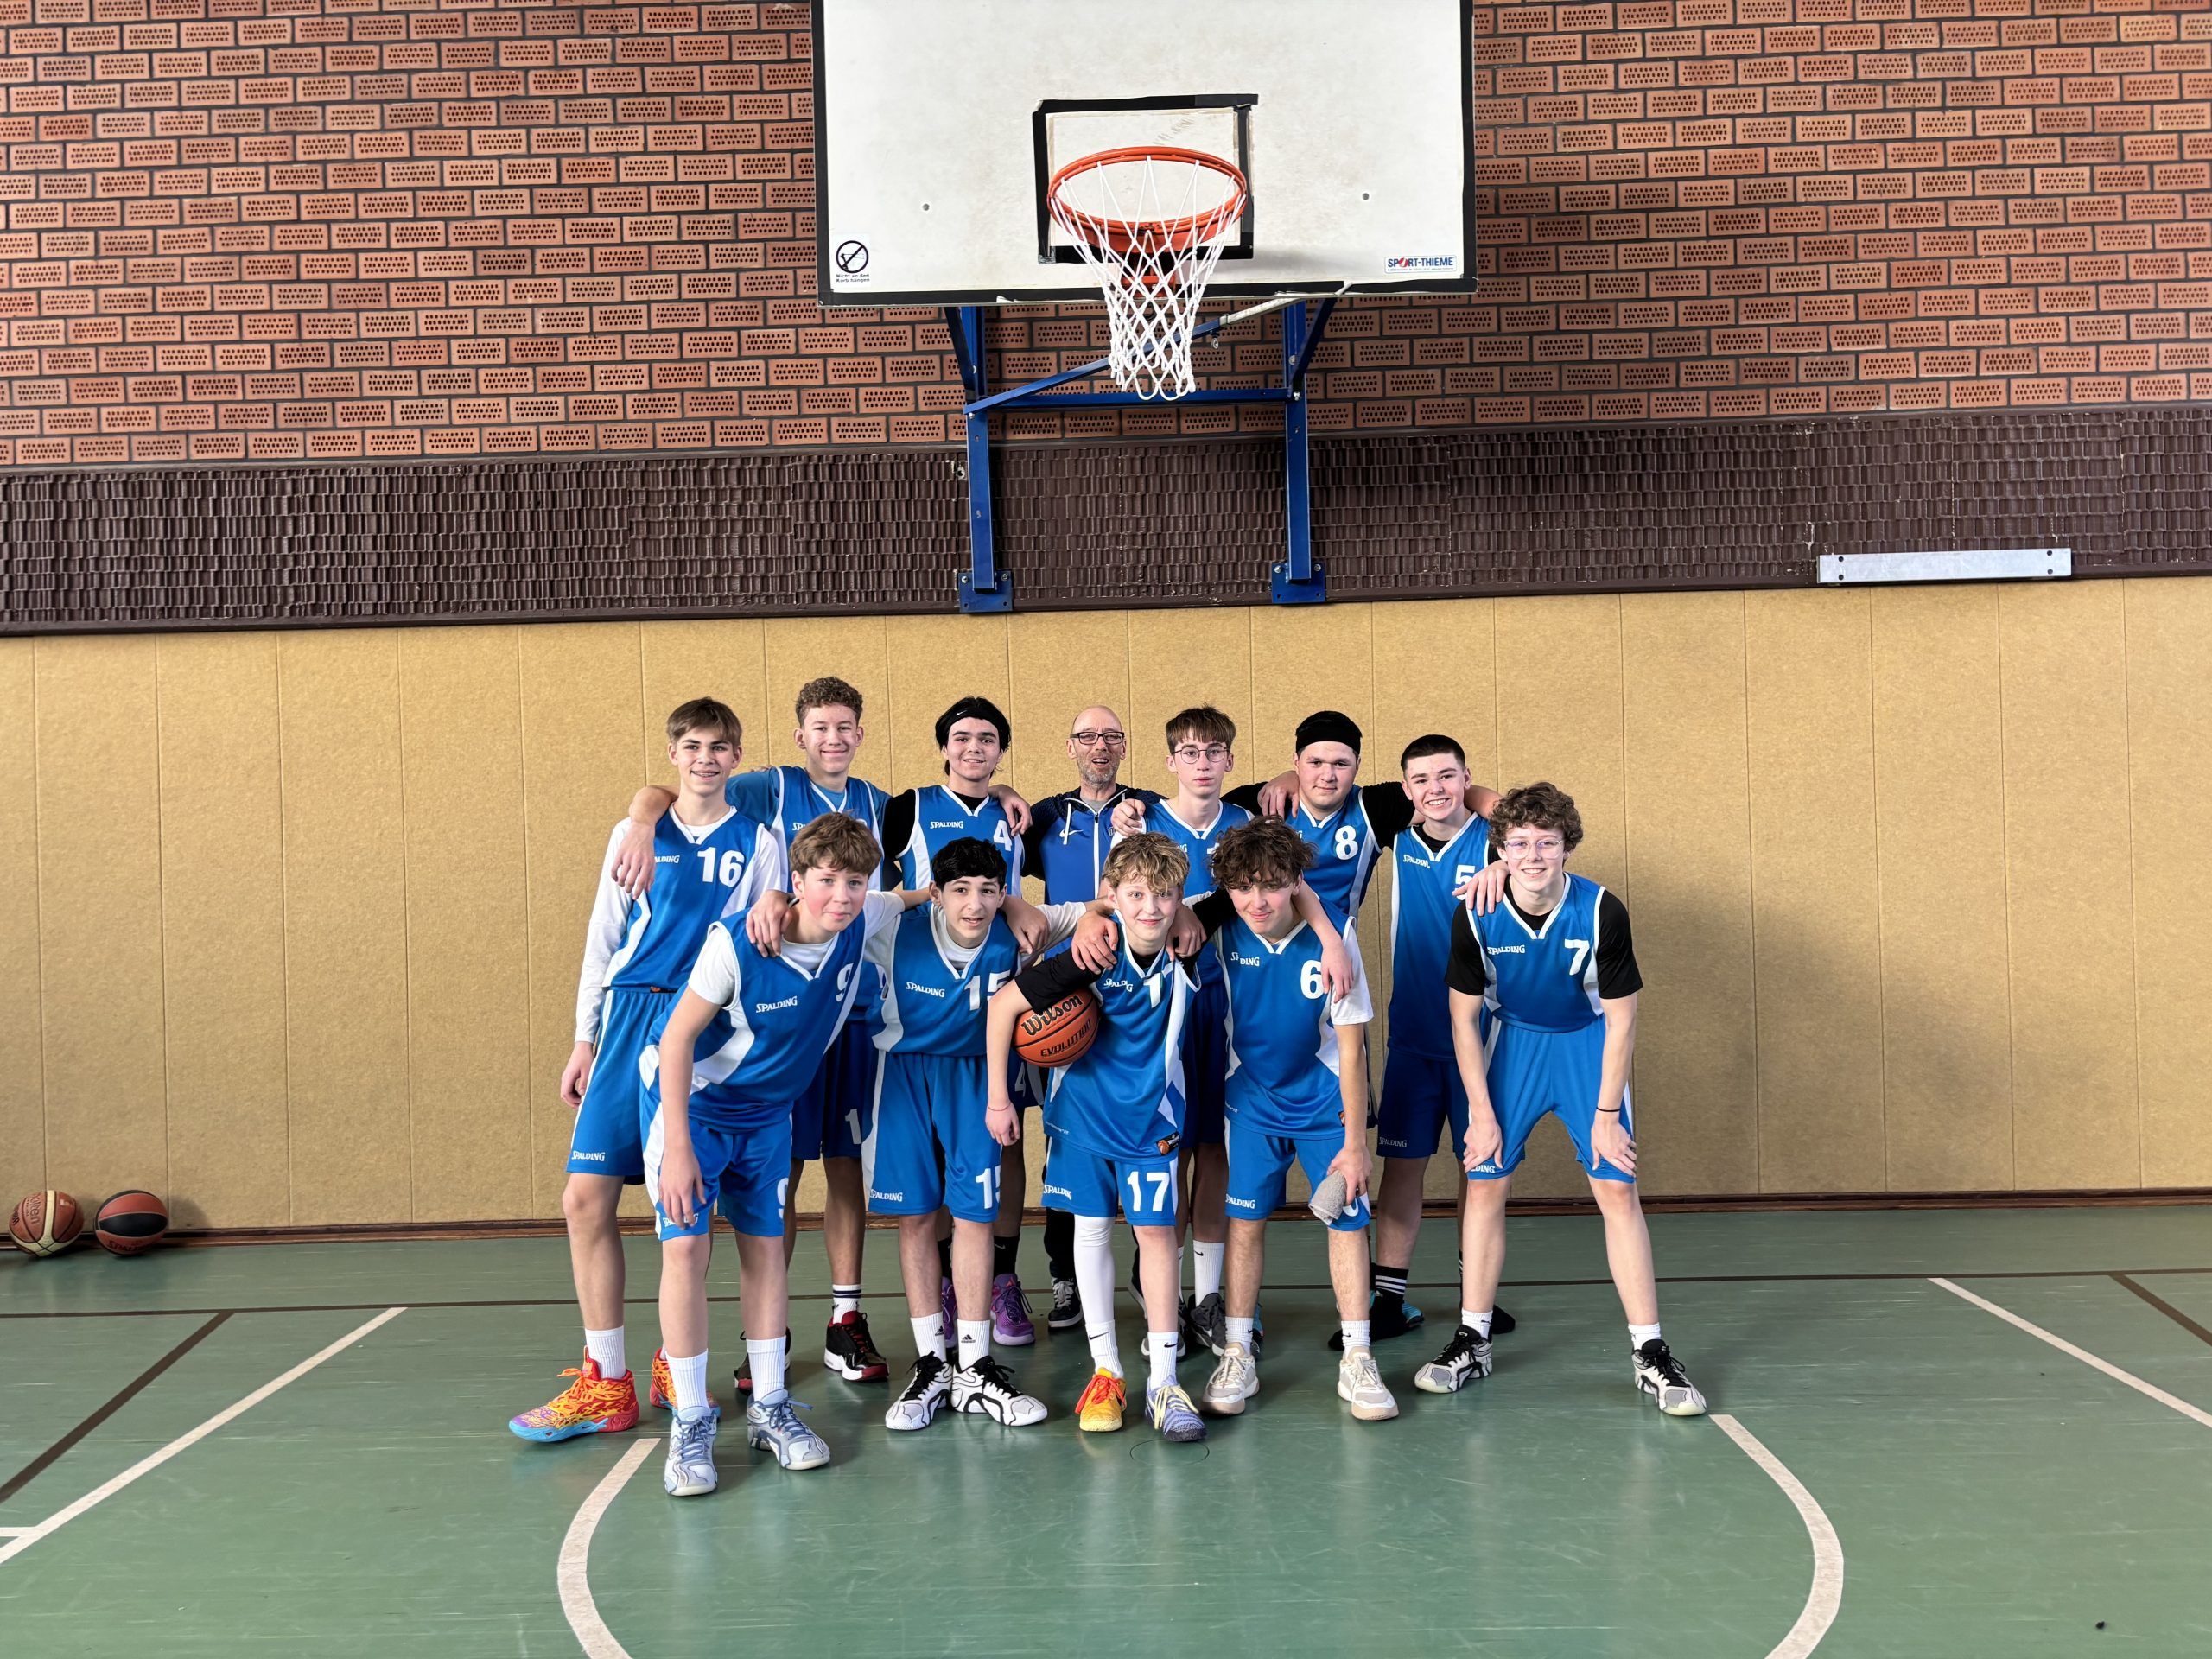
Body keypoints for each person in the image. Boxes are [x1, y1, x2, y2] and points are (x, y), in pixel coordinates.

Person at [985, 834, 1351, 1444]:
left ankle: (1163, 1380)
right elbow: (1003, 1007)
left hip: (1152, 1122)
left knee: (1157, 1236)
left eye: (1164, 895)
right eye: (1135, 896)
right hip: (1082, 1121)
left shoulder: (1190, 940)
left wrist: (1332, 939)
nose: (1150, 908)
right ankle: (1106, 1373)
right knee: (1091, 1232)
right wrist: (1000, 1099)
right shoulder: (1088, 953)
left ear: (1183, 896)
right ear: (1113, 895)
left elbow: (1288, 880)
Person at [616, 676, 912, 1392]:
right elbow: (679, 792)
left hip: (840, 1010)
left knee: (844, 1162)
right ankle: (763, 1341)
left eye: (844, 726)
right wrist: (640, 820)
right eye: (820, 727)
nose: (833, 738)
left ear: (861, 734)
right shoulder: (767, 787)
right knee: (776, 1180)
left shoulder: (883, 805)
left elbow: (908, 890)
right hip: (764, 1003)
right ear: (799, 734)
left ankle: (844, 1317)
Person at [510, 697, 781, 1445]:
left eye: (719, 747)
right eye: (692, 746)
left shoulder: (760, 840)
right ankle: (605, 1382)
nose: (706, 759)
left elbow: (761, 941)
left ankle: (673, 1360)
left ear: (737, 757)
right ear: (672, 754)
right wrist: (584, 1039)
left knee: (685, 1210)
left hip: (697, 1022)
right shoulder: (634, 834)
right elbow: (602, 939)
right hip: (626, 1014)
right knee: (584, 1199)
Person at [645, 814, 925, 1497]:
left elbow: (915, 897)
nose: (841, 896)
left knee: (766, 1252)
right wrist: (677, 1146)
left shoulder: (861, 917)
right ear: (796, 881)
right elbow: (677, 1040)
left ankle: (770, 1407)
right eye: (825, 881)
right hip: (695, 1110)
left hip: (767, 1117)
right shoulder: (738, 944)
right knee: (687, 1250)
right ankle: (690, 1419)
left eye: (854, 882)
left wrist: (1010, 903)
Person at [1413, 783, 1707, 1420]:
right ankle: (1473, 1338)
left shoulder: (1602, 910)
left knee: (1617, 1189)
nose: (1533, 856)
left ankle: (1650, 1350)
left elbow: (1623, 1020)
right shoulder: (1476, 913)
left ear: (1567, 846)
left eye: (1546, 843)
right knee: (1484, 1183)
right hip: (1513, 1046)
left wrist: (1607, 1115)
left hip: (1586, 1046)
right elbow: (1462, 1019)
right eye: (1519, 844)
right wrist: (1480, 1113)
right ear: (1501, 850)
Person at [821, 836, 1101, 1431]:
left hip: (978, 1078)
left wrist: (1045, 909)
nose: (974, 904)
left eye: (988, 891)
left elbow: (1104, 906)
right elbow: (822, 909)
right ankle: (931, 1363)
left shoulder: (1022, 928)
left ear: (1003, 893)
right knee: (917, 1217)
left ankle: (974, 1364)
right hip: (902, 1076)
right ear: (937, 894)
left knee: (974, 1216)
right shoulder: (891, 927)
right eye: (960, 891)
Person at [1184, 819, 1393, 1422]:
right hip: (1251, 1100)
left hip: (1324, 1101)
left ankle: (1358, 1356)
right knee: (1245, 1223)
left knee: (1347, 1223)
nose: (1258, 901)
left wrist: (1355, 1142)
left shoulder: (1337, 937)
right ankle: (1237, 1350)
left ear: (1295, 883)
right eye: (1243, 888)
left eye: (1272, 886)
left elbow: (1352, 1049)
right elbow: (1146, 912)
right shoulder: (1219, 929)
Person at [877, 695, 1044, 1350]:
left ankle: (1000, 1277)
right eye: (963, 738)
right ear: (943, 746)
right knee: (934, 1160)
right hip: (922, 987)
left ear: (1002, 750)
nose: (975, 748)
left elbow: (1021, 890)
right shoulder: (906, 808)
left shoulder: (1018, 816)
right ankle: (948, 1283)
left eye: (988, 739)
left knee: (1005, 1144)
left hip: (992, 992)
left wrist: (1020, 903)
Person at [1020, 705, 1159, 1333]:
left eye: (1111, 736)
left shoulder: (1151, 808)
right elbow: (992, 865)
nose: (1099, 746)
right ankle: (1065, 1277)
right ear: (1069, 746)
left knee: (1150, 1133)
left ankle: (1147, 1273)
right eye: (1087, 736)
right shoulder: (1044, 816)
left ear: (1124, 746)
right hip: (1066, 994)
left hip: (1139, 988)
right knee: (1065, 1141)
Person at [1118, 705, 1249, 1354]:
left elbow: (1281, 890)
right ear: (1170, 761)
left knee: (1214, 1148)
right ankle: (1163, 1297)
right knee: (1164, 1151)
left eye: (1214, 751)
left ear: (1230, 760)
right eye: (1190, 752)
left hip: (1229, 1004)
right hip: (1157, 1006)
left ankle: (1208, 1297)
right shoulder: (1140, 823)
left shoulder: (1247, 825)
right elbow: (1114, 901)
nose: (1202, 763)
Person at [1366, 734, 1494, 1350]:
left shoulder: (1499, 842)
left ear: (1467, 778)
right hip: (1414, 1036)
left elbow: (1539, 827)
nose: (1435, 789)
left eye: (1447, 776)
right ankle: (1389, 1299)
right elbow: (1329, 795)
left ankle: (1477, 1302)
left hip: (1484, 1041)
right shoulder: (1397, 836)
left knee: (1482, 1170)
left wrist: (1506, 853)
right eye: (1421, 780)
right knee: (1402, 1167)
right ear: (1406, 789)